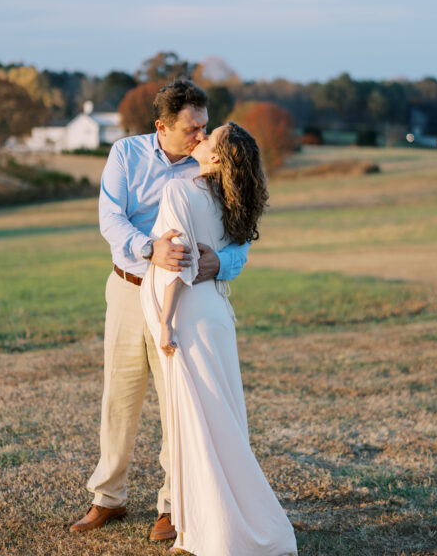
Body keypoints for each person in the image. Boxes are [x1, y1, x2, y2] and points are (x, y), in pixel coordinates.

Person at [69, 80, 250, 542]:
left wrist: (219, 264)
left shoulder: (210, 168)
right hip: (129, 290)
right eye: (191, 128)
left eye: (205, 127)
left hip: (184, 300)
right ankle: (107, 498)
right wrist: (150, 249)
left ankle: (172, 504)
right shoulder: (126, 155)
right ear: (161, 127)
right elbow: (111, 219)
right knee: (119, 399)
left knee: (179, 404)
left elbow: (240, 239)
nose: (200, 136)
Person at [140, 122, 297, 555]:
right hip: (215, 314)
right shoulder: (227, 198)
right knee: (220, 423)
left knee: (198, 425)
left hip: (188, 318)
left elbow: (176, 263)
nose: (200, 138)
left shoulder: (180, 190)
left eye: (210, 138)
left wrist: (166, 321)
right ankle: (201, 528)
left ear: (216, 158)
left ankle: (218, 532)